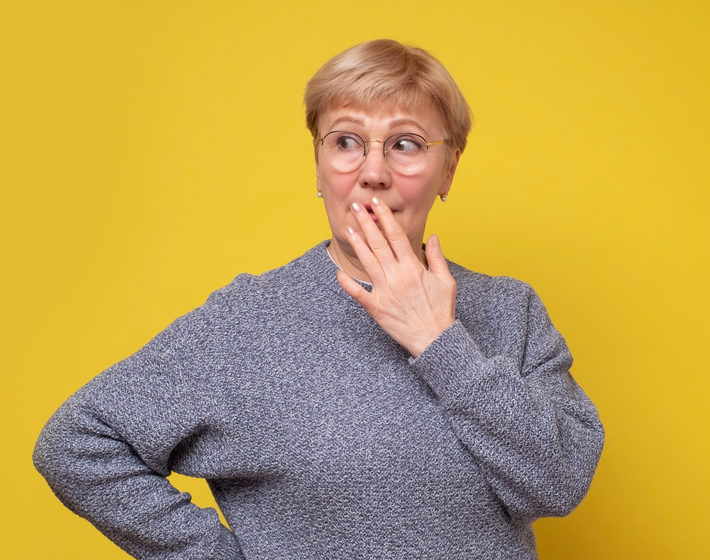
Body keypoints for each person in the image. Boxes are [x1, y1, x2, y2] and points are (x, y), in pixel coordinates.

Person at [33, 39, 604, 560]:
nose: (373, 172)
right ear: (319, 166)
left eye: (406, 144)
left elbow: (559, 483)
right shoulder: (248, 321)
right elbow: (75, 443)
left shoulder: (512, 312)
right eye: (347, 142)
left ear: (448, 169)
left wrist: (440, 343)